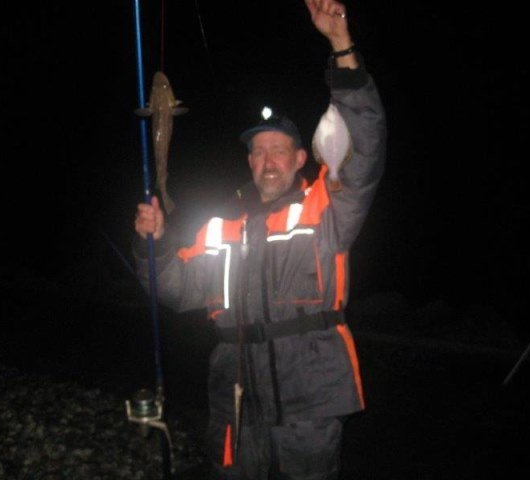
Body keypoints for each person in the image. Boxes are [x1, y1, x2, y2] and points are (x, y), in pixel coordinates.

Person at [133, 0, 386, 478]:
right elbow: (172, 287)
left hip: (308, 394)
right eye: (258, 152)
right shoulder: (220, 226)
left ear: (298, 160)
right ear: (249, 162)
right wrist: (155, 244)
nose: (267, 161)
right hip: (235, 394)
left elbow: (367, 149)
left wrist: (341, 46)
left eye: (279, 150)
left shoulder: (326, 210)